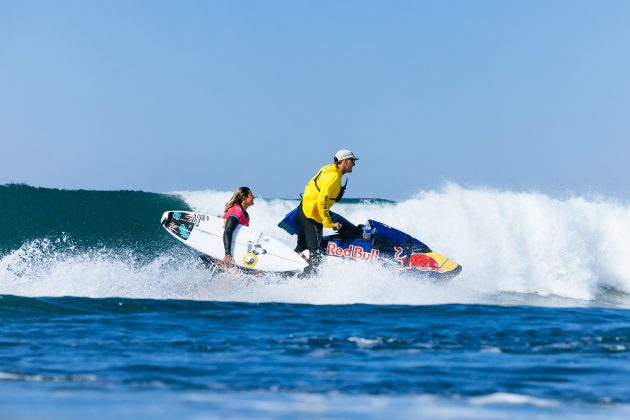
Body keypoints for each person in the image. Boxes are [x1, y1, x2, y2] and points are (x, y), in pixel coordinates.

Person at [295, 149, 358, 277]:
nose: (354, 164)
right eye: (352, 161)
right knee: (315, 254)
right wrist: (330, 223)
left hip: (305, 208)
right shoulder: (333, 177)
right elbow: (321, 202)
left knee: (302, 247)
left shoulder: (329, 169)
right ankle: (306, 283)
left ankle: (284, 274)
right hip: (312, 215)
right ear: (345, 161)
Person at [222, 186, 254, 269]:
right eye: (251, 195)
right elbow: (228, 230)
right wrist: (227, 254)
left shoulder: (246, 215)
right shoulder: (237, 211)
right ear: (244, 197)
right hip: (223, 252)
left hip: (233, 251)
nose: (253, 197)